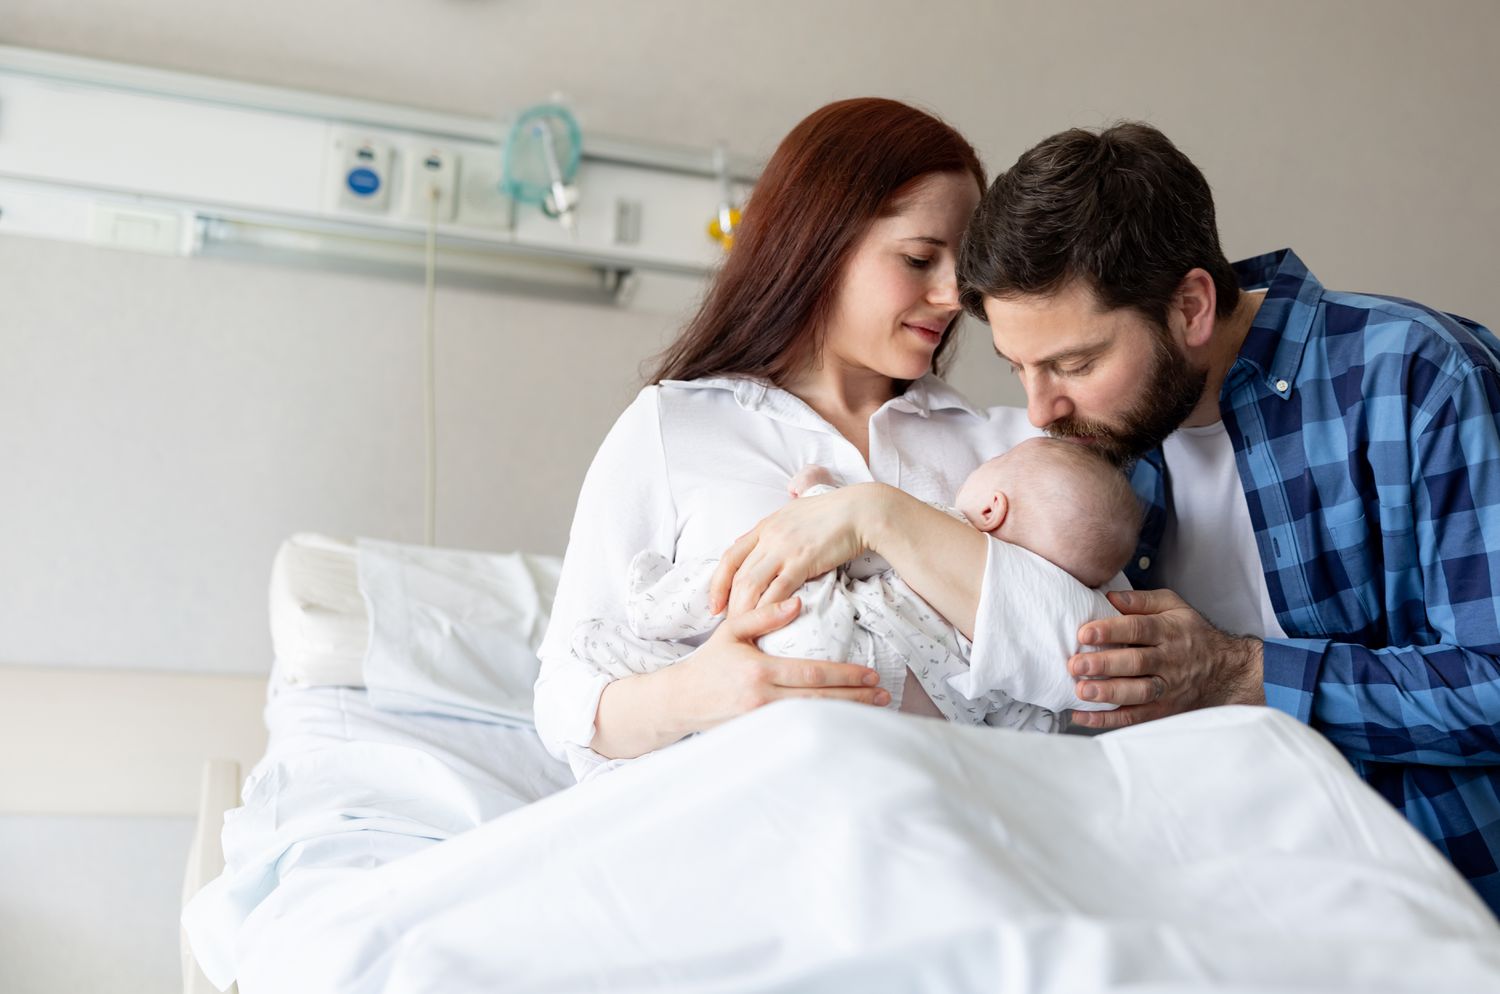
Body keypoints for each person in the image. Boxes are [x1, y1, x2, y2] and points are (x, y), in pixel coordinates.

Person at [712, 121, 1500, 914]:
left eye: (1075, 364)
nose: (1040, 409)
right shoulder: (1084, 447)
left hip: (1424, 891)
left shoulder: (1414, 381)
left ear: (1191, 306)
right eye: (1019, 367)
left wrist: (1241, 672)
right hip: (1201, 891)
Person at [533, 98, 1101, 781]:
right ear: (820, 244)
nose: (955, 296)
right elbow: (564, 702)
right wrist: (699, 693)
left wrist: (883, 518)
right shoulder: (672, 430)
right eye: (921, 258)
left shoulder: (1008, 453)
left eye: (964, 264)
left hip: (961, 816)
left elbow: (1092, 664)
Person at [567, 436, 1139, 754]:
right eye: (917, 259)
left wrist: (824, 495)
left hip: (830, 635)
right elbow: (1035, 733)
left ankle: (654, 606)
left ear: (993, 508)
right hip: (893, 715)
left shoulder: (947, 527)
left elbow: (848, 544)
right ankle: (666, 661)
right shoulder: (670, 427)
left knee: (773, 566)